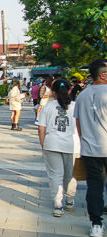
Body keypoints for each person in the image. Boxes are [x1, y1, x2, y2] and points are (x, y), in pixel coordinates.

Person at [74, 59, 107, 237]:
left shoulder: (82, 95)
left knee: (94, 187)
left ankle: (96, 224)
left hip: (90, 149)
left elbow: (78, 123)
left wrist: (84, 142)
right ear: (102, 75)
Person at [37, 78, 78, 217]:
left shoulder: (48, 107)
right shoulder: (75, 106)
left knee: (55, 175)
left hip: (52, 144)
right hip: (73, 145)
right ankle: (70, 199)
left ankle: (57, 203)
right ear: (70, 90)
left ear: (53, 92)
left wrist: (43, 144)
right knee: (70, 174)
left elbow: (41, 128)